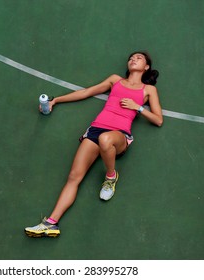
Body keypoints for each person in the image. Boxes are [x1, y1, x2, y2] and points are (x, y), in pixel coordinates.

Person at [25, 51, 163, 237]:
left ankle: (111, 177)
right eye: (131, 57)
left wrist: (137, 107)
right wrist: (56, 100)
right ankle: (51, 223)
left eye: (138, 58)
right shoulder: (115, 80)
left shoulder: (148, 90)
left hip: (119, 135)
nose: (133, 59)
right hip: (95, 130)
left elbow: (158, 120)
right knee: (74, 177)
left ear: (146, 67)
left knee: (106, 139)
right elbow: (87, 92)